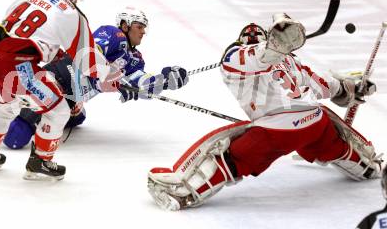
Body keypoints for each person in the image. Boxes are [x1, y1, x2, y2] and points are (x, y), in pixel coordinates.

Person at [146, 14, 383, 210]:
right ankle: (368, 167)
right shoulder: (291, 60)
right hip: (315, 122)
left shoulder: (236, 58)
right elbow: (325, 85)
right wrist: (351, 88)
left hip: (275, 131)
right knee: (334, 146)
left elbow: (258, 57)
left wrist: (275, 49)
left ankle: (183, 193)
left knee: (230, 158)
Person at [0, 7, 189, 149]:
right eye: (139, 25)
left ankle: (66, 111)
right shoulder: (112, 34)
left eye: (144, 27)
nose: (143, 31)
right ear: (125, 25)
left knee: (75, 118)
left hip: (72, 96)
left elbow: (141, 84)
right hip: (54, 82)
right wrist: (117, 82)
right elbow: (89, 61)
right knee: (15, 138)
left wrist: (166, 80)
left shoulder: (136, 58)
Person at [0, 0, 108, 181]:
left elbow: (17, 30)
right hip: (17, 68)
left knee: (6, 106)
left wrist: (51, 50)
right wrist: (106, 76)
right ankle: (40, 161)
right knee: (58, 110)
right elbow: (87, 60)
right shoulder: (72, 13)